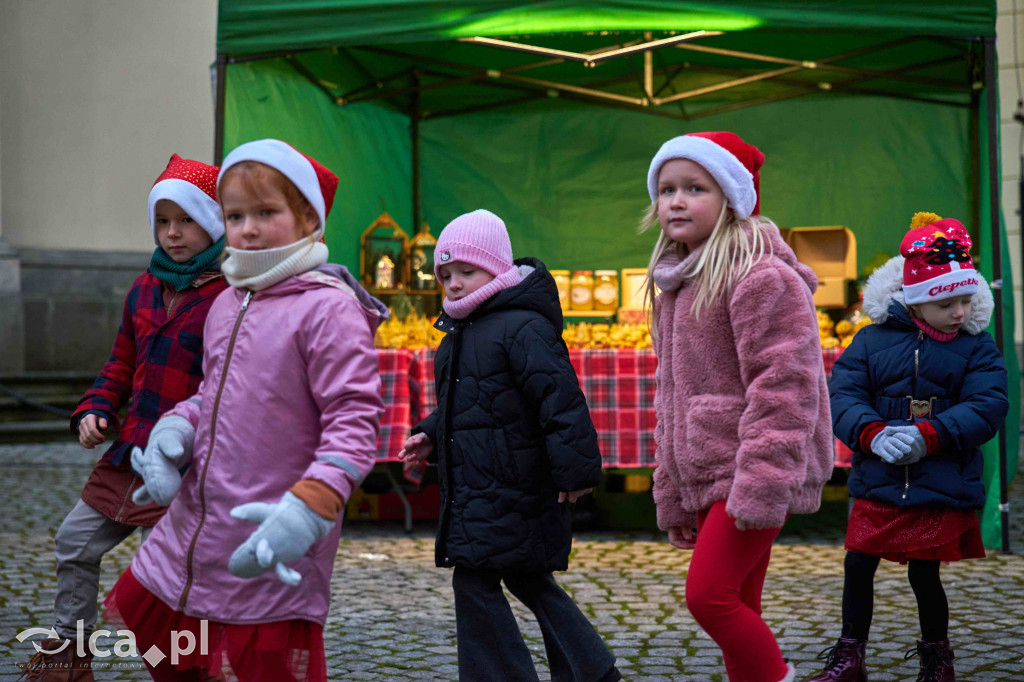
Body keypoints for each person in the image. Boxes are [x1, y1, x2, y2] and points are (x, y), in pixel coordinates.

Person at [104, 139, 387, 682]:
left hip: (270, 531)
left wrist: (310, 507)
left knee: (261, 668)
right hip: (194, 529)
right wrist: (175, 431)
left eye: (266, 213)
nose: (249, 230)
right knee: (164, 646)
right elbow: (215, 392)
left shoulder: (329, 309)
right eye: (235, 216)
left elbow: (354, 424)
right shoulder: (227, 301)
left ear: (309, 219)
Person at [18, 155, 228, 682]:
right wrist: (95, 407)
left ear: (213, 223)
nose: (172, 233)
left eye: (186, 220)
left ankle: (187, 670)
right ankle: (68, 662)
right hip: (128, 454)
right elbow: (120, 364)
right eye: (163, 220)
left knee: (163, 581)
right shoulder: (142, 289)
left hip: (183, 469)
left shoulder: (228, 298)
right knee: (74, 542)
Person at [398, 209, 620, 682]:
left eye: (467, 271)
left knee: (476, 580)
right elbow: (471, 403)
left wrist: (576, 472)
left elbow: (561, 401)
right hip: (482, 486)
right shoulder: (458, 333)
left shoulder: (522, 327)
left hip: (519, 485)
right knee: (527, 576)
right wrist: (431, 433)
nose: (454, 284)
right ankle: (590, 669)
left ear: (497, 268)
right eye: (445, 275)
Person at [643, 132, 834, 682]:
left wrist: (763, 481)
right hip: (711, 469)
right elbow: (671, 396)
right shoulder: (677, 282)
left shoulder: (761, 276)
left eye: (695, 188)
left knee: (710, 597)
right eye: (667, 189)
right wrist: (673, 495)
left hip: (752, 469)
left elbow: (786, 386)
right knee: (739, 601)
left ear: (731, 197)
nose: (677, 201)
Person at [808, 212, 1008, 682]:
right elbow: (843, 396)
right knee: (858, 565)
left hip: (938, 479)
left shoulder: (977, 347)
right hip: (878, 478)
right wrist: (873, 433)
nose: (959, 313)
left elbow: (988, 404)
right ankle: (850, 656)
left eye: (966, 300)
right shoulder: (870, 341)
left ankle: (937, 660)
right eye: (946, 303)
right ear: (916, 301)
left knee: (925, 573)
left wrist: (929, 435)